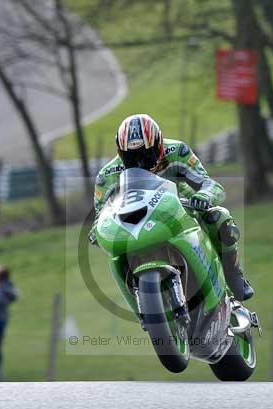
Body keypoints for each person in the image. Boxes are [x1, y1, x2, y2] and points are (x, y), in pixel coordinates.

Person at [90, 113, 254, 301]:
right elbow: (100, 215)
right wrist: (97, 231)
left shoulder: (177, 151)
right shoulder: (108, 174)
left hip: (181, 211)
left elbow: (211, 185)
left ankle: (234, 277)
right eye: (131, 157)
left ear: (159, 144)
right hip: (136, 225)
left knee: (219, 217)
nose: (140, 162)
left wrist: (204, 196)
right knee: (116, 251)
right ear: (121, 153)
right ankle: (140, 300)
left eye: (146, 154)